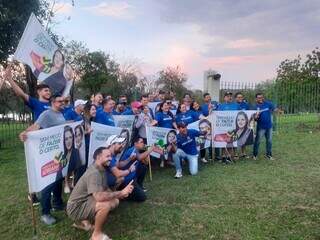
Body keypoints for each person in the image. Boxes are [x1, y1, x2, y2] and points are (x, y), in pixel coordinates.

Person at [66, 147, 134, 240]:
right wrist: (121, 192)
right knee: (105, 205)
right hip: (75, 207)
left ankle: (85, 223)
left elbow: (105, 188)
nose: (110, 158)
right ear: (98, 157)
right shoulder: (94, 173)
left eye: (110, 156)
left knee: (115, 202)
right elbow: (99, 197)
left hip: (84, 200)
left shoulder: (101, 169)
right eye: (107, 156)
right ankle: (96, 235)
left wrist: (118, 194)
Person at [19, 93, 66, 225]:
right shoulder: (47, 114)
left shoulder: (60, 114)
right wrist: (25, 132)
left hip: (59, 153)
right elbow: (36, 126)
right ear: (52, 103)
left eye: (63, 101)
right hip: (48, 155)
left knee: (59, 179)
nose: (62, 103)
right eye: (59, 101)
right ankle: (45, 213)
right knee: (49, 183)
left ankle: (57, 203)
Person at [252, 93, 277, 160]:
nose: (260, 99)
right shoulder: (254, 106)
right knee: (258, 141)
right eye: (259, 98)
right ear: (256, 99)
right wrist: (256, 117)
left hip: (269, 126)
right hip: (261, 127)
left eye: (261, 97)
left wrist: (275, 110)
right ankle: (255, 155)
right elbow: (254, 119)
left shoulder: (268, 103)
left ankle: (269, 155)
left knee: (269, 141)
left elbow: (274, 109)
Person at [217, 92, 240, 163]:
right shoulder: (221, 106)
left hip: (232, 127)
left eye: (230, 96)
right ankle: (223, 156)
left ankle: (229, 156)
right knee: (223, 142)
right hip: (223, 126)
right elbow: (217, 115)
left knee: (230, 141)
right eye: (227, 96)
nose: (229, 97)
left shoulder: (236, 105)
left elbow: (241, 113)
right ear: (224, 98)